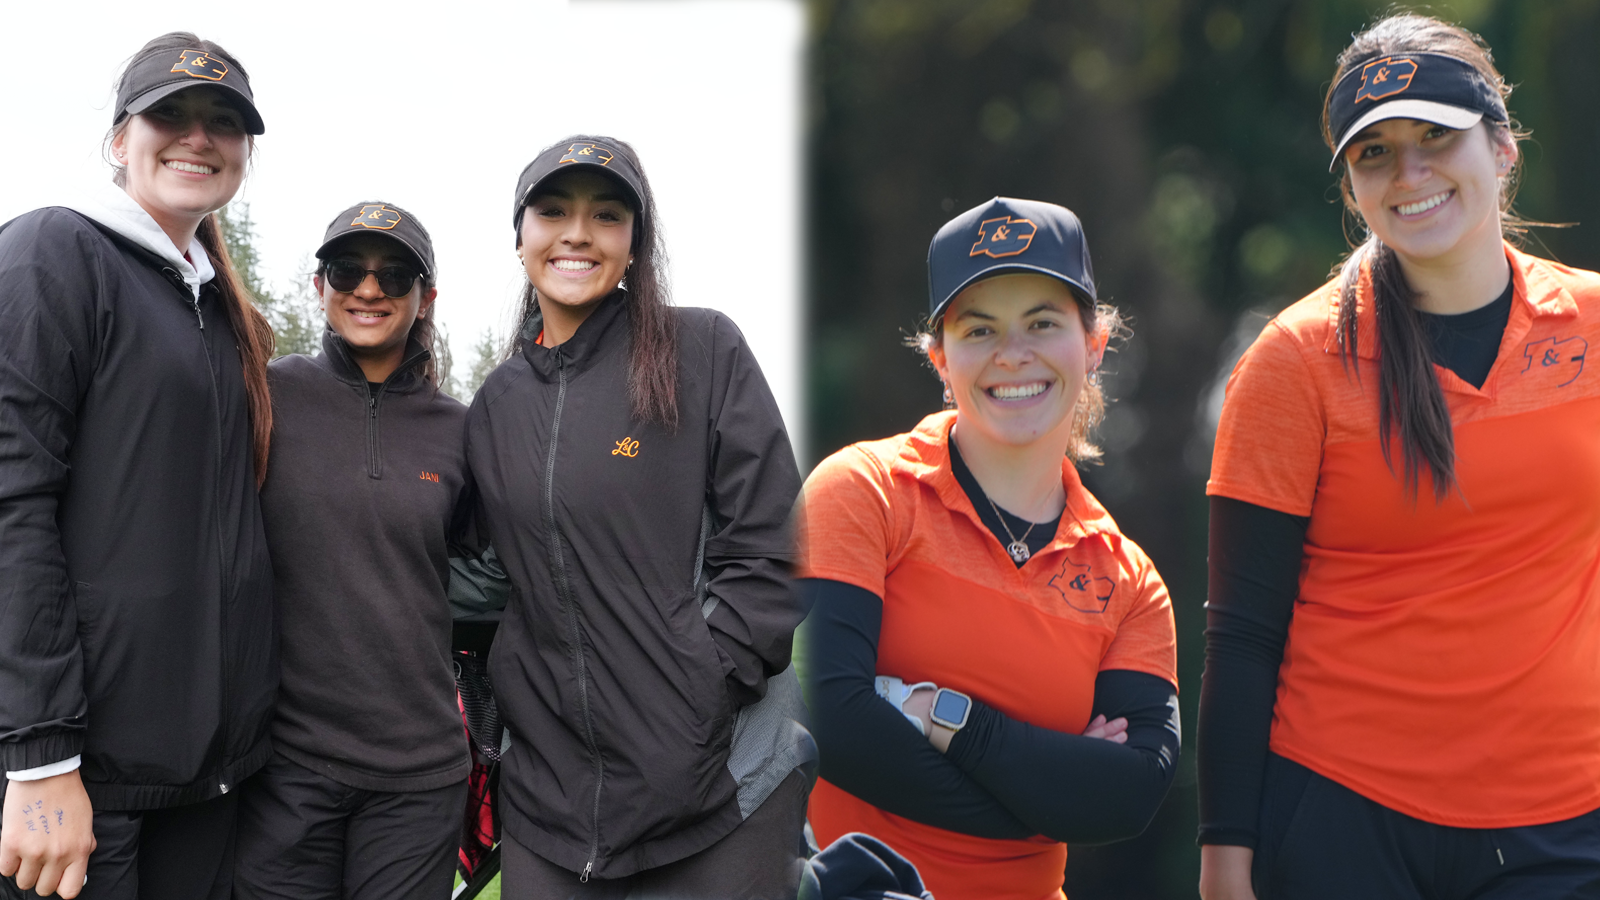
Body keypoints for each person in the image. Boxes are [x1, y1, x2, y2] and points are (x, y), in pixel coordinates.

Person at [1197, 13, 1600, 899]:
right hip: (1345, 819)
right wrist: (1224, 857)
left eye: (1434, 138)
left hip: (1565, 824)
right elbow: (1242, 633)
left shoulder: (1595, 327)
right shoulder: (1294, 361)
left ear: (1501, 147)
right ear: (1350, 189)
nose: (1409, 174)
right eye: (1374, 153)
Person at [797, 197, 1181, 900]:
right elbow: (830, 721)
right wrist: (1048, 800)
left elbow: (1129, 796)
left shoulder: (1130, 580)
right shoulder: (861, 491)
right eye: (980, 329)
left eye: (1042, 322)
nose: (1013, 354)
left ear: (1093, 345)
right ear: (940, 356)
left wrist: (949, 720)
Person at [465, 135, 815, 898]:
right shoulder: (496, 404)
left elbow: (772, 546)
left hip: (716, 789)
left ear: (636, 243)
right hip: (548, 803)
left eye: (607, 215)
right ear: (519, 235)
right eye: (553, 211)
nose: (578, 233)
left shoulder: (704, 349)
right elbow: (481, 573)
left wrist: (701, 690)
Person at [0, 32, 275, 900]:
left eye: (223, 121)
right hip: (86, 786)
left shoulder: (223, 312)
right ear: (120, 140)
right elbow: (12, 503)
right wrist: (42, 755)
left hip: (210, 782)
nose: (198, 136)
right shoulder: (55, 252)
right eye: (170, 115)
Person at [231, 203, 474, 898]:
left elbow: (493, 565)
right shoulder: (265, 397)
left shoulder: (460, 431)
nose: (369, 290)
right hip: (283, 768)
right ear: (319, 286)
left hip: (417, 780)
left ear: (426, 299)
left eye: (395, 276)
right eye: (347, 270)